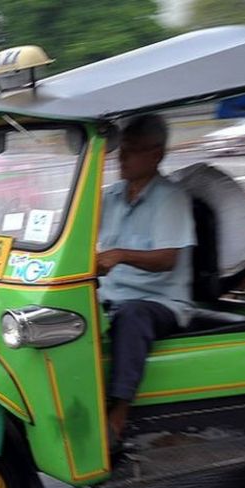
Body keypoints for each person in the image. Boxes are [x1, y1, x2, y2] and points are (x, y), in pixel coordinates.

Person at [97, 114, 196, 447]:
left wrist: (121, 254)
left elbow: (168, 259)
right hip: (109, 296)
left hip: (160, 302)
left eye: (132, 151)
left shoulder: (170, 198)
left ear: (156, 155)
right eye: (121, 150)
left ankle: (118, 413)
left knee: (132, 315)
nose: (121, 158)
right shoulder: (110, 196)